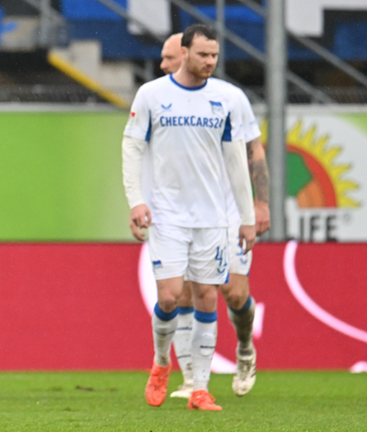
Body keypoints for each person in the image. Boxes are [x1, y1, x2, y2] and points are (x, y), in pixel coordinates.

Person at [122, 24, 257, 411]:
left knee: (207, 296)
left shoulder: (225, 99)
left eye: (214, 55)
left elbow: (236, 162)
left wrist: (246, 217)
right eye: (203, 55)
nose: (210, 62)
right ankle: (162, 361)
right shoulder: (152, 95)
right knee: (168, 297)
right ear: (184, 53)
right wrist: (136, 201)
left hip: (213, 218)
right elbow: (131, 147)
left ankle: (199, 387)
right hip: (167, 215)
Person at [158, 33, 271, 400]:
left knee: (234, 293)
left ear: (183, 56)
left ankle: (245, 349)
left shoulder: (229, 98)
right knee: (188, 293)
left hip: (227, 212)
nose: (163, 65)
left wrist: (260, 204)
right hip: (184, 216)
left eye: (168, 57)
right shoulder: (158, 100)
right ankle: (192, 379)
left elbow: (253, 150)